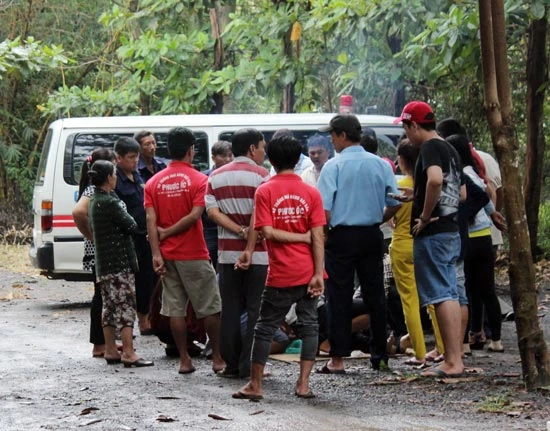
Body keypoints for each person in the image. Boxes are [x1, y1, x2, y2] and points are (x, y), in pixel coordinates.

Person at [232, 135, 325, 400]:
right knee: (310, 326)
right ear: (298, 160)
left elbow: (269, 233)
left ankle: (255, 385)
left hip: (282, 273)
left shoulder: (265, 190)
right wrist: (318, 273)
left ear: (271, 159)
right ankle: (304, 385)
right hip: (308, 271)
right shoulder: (311, 192)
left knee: (264, 327)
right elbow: (317, 236)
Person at [317, 114, 401, 373]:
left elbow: (325, 211)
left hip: (341, 236)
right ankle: (379, 356)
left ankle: (338, 359)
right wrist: (378, 218)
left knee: (338, 296)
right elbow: (395, 202)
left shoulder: (333, 166)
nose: (331, 140)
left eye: (332, 135)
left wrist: (326, 235)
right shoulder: (381, 165)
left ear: (342, 135)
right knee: (376, 295)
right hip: (372, 234)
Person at [144, 127, 225, 374]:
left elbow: (150, 220)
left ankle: (184, 359)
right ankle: (217, 358)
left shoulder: (153, 182)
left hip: (167, 255)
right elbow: (195, 215)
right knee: (209, 306)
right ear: (191, 150)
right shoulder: (200, 180)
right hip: (194, 253)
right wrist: (168, 233)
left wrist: (156, 253)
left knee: (175, 308)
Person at [394, 101, 465, 378]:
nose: (406, 135)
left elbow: (435, 180)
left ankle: (452, 362)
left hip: (433, 233)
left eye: (405, 128)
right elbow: (458, 194)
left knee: (441, 295)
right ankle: (455, 357)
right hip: (451, 230)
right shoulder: (450, 149)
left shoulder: (430, 148)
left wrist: (423, 216)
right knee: (450, 292)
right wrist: (417, 194)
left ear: (414, 125)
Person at [205, 129, 269, 378]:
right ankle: (249, 365)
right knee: (255, 311)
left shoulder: (216, 176)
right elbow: (260, 212)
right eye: (262, 147)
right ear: (252, 149)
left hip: (227, 256)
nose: (264, 152)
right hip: (259, 256)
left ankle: (231, 365)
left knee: (230, 310)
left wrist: (238, 230)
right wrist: (249, 234)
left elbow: (212, 212)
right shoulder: (263, 176)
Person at [88, 160, 153, 368]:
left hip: (104, 264)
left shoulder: (94, 200)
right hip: (119, 263)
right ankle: (128, 351)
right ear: (109, 178)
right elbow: (131, 224)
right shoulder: (110, 202)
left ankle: (110, 349)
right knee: (125, 306)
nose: (116, 177)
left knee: (108, 307)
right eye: (114, 174)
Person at [446, 134, 505, 353]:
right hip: (484, 238)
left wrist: (465, 214)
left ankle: (465, 343)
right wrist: (492, 214)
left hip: (468, 237)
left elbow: (479, 197)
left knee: (468, 290)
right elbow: (485, 196)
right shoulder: (474, 172)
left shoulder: (461, 174)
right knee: (486, 289)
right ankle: (493, 339)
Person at [72, 148, 119, 358]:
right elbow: (78, 212)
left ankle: (106, 342)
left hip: (103, 251)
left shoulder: (98, 189)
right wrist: (92, 236)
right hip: (100, 253)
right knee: (101, 297)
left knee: (104, 295)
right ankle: (99, 344)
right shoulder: (93, 191)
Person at [388, 139, 427, 366]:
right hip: (423, 245)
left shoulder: (399, 186)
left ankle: (420, 352)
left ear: (401, 160)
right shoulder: (424, 187)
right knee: (433, 299)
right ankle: (441, 349)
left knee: (409, 301)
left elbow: (389, 216)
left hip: (402, 246)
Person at [114, 137, 156, 336]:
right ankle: (131, 323)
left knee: (148, 278)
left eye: (136, 157)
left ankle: (146, 318)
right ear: (118, 158)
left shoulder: (139, 176)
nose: (134, 161)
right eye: (130, 157)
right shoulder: (114, 180)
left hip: (145, 236)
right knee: (130, 283)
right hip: (127, 238)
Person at [201, 140, 234, 269]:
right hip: (210, 228)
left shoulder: (235, 176)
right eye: (223, 156)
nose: (227, 159)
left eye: (230, 155)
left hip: (231, 227)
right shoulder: (204, 177)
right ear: (213, 158)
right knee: (210, 264)